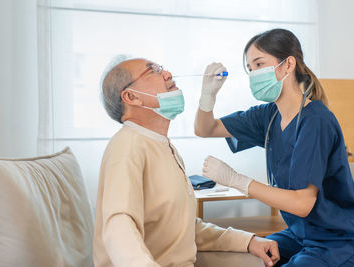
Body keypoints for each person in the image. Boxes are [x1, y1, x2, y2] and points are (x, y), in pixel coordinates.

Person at [195, 28, 354, 266]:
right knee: (249, 257)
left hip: (341, 236)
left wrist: (237, 180)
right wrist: (207, 96)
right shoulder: (268, 116)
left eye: (259, 64)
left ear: (288, 65)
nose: (253, 74)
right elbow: (205, 129)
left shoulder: (315, 120)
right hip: (301, 232)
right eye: (249, 69)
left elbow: (302, 204)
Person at [93, 56, 280, 267]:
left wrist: (248, 241)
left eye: (161, 67)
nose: (167, 74)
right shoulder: (127, 147)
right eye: (152, 70)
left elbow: (185, 229)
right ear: (131, 97)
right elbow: (118, 228)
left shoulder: (162, 146)